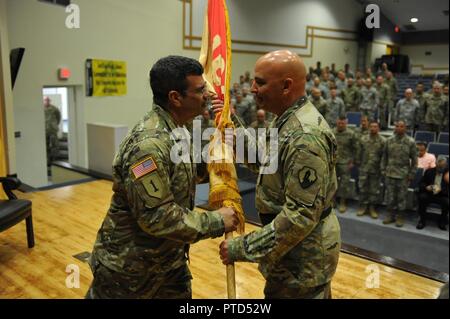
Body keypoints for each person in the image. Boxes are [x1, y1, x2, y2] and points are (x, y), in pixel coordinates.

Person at [86, 56, 238, 299]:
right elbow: (157, 217)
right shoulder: (148, 145)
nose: (207, 96)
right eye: (200, 91)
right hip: (129, 272)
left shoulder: (179, 128)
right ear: (175, 97)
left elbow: (186, 175)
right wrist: (217, 221)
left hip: (168, 263)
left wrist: (219, 154)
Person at [218, 50, 341, 299]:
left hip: (304, 259)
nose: (252, 88)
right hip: (290, 254)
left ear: (286, 86)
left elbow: (300, 216)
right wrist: (229, 121)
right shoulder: (285, 120)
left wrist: (243, 247)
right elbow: (265, 162)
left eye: (260, 82)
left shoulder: (304, 135)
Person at [381, 121, 418, 228]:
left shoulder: (410, 142)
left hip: (403, 175)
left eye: (401, 126)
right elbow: (384, 157)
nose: (399, 128)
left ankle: (400, 216)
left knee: (401, 197)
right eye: (397, 126)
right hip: (390, 173)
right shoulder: (389, 140)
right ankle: (390, 215)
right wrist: (383, 170)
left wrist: (411, 174)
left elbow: (415, 161)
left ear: (405, 128)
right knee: (390, 196)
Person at [357, 121, 385, 218]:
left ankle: (372, 208)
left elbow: (384, 156)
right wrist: (358, 163)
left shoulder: (383, 141)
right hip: (364, 168)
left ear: (378, 128)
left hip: (376, 169)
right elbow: (359, 153)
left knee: (374, 190)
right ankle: (363, 207)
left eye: (375, 127)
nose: (373, 128)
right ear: (369, 128)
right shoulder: (363, 139)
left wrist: (382, 168)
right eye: (371, 126)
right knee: (363, 188)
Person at [334, 116, 359, 213]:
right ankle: (332, 201)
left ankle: (343, 203)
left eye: (343, 123)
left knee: (344, 184)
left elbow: (356, 148)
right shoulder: (332, 132)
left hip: (345, 163)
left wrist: (353, 161)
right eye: (339, 123)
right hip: (333, 162)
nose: (341, 125)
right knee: (332, 183)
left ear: (346, 123)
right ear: (337, 122)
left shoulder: (351, 134)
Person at [416, 156, 449, 230]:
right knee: (422, 197)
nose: (440, 168)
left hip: (442, 195)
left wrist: (440, 189)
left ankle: (442, 221)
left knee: (447, 202)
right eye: (438, 166)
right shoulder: (429, 171)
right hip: (429, 193)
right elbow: (421, 183)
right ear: (436, 164)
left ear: (446, 165)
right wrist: (426, 187)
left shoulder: (447, 174)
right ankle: (422, 220)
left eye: (442, 166)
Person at [44, 96, 61, 171]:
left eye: (48, 100)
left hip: (52, 130)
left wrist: (55, 125)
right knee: (45, 146)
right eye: (45, 100)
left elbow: (58, 117)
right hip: (44, 130)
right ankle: (47, 160)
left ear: (50, 101)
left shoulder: (54, 109)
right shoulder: (40, 109)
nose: (47, 101)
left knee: (55, 145)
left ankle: (54, 160)